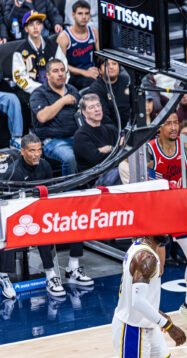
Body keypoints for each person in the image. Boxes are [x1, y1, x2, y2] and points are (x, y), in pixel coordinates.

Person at [0, 133, 93, 298]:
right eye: (31, 151)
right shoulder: (12, 173)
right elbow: (6, 204)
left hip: (41, 215)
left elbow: (50, 194)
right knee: (19, 230)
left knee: (74, 218)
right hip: (18, 219)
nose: (36, 154)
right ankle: (6, 276)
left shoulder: (45, 166)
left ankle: (72, 267)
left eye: (39, 150)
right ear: (22, 151)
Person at [146, 112, 187, 333]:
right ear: (159, 127)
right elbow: (142, 183)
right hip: (158, 211)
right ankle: (153, 311)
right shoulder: (149, 150)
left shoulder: (184, 146)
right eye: (169, 123)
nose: (174, 127)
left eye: (176, 123)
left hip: (180, 209)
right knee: (157, 266)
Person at [30, 58, 79, 176]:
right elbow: (42, 117)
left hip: (76, 136)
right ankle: (69, 191)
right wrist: (63, 101)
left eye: (63, 70)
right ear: (47, 75)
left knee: (96, 150)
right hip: (52, 141)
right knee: (69, 158)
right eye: (56, 71)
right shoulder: (39, 93)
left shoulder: (72, 89)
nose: (60, 74)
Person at [12, 10, 69, 101]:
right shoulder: (19, 52)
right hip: (33, 93)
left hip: (57, 88)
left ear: (42, 26)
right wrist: (43, 89)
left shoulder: (53, 45)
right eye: (31, 25)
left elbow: (64, 67)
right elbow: (19, 78)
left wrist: (61, 85)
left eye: (38, 24)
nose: (35, 27)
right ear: (26, 29)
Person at [56, 0, 98, 90]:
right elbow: (60, 65)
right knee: (93, 84)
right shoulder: (64, 37)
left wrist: (103, 68)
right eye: (80, 13)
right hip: (73, 76)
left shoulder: (94, 31)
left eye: (87, 13)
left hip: (91, 71)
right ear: (73, 15)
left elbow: (100, 56)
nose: (84, 17)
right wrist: (84, 72)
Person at [73, 93, 117, 172]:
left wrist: (109, 149)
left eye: (98, 105)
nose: (97, 109)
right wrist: (114, 149)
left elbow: (121, 151)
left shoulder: (111, 129)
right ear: (84, 112)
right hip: (94, 177)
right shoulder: (81, 136)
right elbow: (96, 160)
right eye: (91, 107)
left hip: (113, 169)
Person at [87, 57, 131, 128]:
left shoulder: (126, 80)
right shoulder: (95, 89)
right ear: (100, 70)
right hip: (110, 130)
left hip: (130, 126)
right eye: (106, 65)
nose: (111, 67)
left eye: (114, 64)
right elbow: (103, 118)